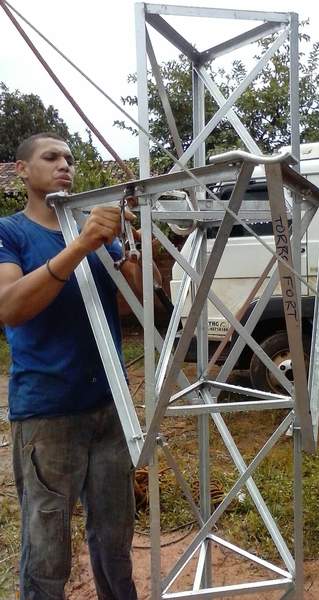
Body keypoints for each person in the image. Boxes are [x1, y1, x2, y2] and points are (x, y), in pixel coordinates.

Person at [0, 132, 155, 598]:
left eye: (69, 157)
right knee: (46, 553)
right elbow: (9, 306)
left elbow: (137, 307)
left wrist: (131, 250)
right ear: (22, 171)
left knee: (114, 541)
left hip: (109, 408)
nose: (65, 164)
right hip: (48, 411)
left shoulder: (95, 232)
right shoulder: (11, 232)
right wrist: (82, 245)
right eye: (51, 157)